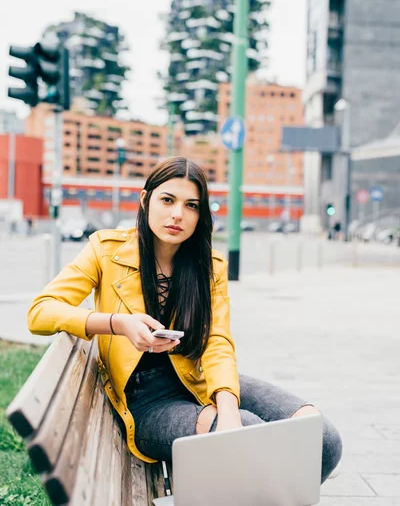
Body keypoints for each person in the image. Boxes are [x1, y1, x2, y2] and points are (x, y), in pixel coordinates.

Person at [27, 157, 342, 483]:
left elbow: (217, 341)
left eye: (191, 205)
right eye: (167, 200)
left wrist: (228, 408)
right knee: (253, 434)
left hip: (198, 376)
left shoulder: (209, 266)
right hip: (146, 400)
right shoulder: (107, 251)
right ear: (145, 200)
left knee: (322, 438)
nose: (177, 213)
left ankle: (276, 500)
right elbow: (40, 312)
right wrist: (117, 323)